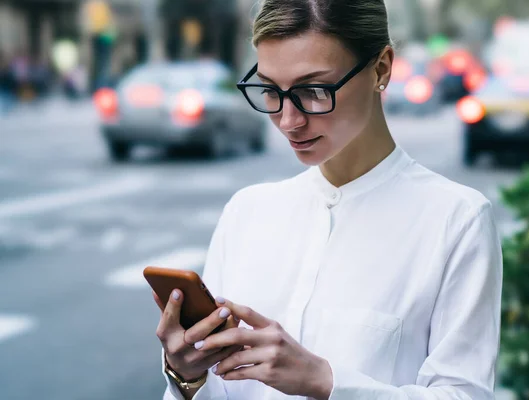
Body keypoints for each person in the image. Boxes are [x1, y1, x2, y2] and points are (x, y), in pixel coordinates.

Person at [154, 0, 502, 399]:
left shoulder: (456, 219)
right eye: (270, 90)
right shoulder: (247, 213)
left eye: (314, 90)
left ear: (381, 69)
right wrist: (187, 378)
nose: (289, 120)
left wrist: (327, 382)